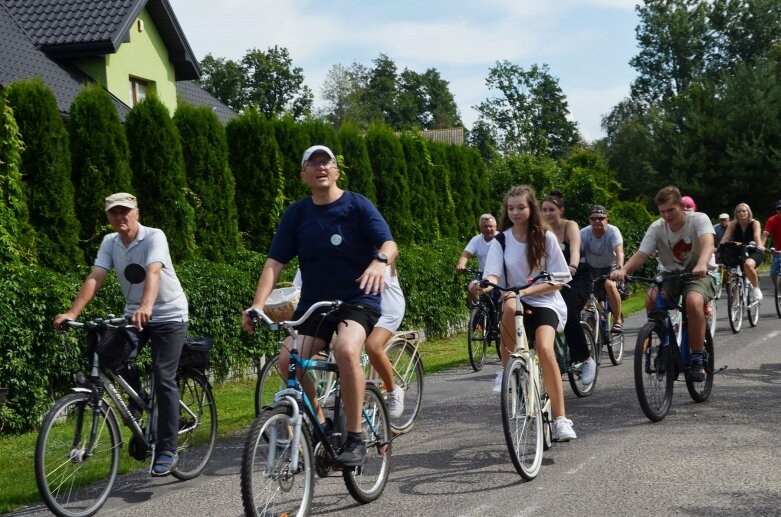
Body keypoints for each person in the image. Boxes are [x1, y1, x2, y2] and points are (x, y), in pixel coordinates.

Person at [242, 145, 397, 467]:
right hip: (315, 305)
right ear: (304, 175)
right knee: (288, 360)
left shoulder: (357, 205)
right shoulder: (296, 214)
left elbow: (389, 243)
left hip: (358, 300)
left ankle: (355, 438)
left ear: (337, 170)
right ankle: (323, 427)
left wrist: (380, 261)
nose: (320, 167)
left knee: (346, 350)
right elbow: (274, 263)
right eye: (312, 163)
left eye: (326, 161)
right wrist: (257, 305)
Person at [54, 193, 189, 477]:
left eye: (125, 211)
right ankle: (138, 398)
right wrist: (72, 313)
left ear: (137, 212)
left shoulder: (154, 237)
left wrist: (147, 306)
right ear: (108, 217)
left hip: (168, 314)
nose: (120, 217)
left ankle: (167, 450)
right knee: (109, 356)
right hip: (135, 314)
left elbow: (153, 272)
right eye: (114, 212)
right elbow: (96, 277)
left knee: (164, 376)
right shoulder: (110, 243)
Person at [469, 185, 576, 440]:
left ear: (531, 209)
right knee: (507, 304)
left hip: (546, 302)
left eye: (521, 207)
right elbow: (492, 274)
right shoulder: (501, 240)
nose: (515, 212)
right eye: (511, 208)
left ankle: (561, 419)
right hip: (514, 302)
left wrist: (524, 292)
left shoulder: (545, 237)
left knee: (545, 347)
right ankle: (510, 372)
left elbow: (560, 280)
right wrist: (482, 286)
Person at [611, 186, 716, 382]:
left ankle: (697, 358)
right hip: (670, 275)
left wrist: (702, 263)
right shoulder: (657, 227)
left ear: (681, 206)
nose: (666, 215)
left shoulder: (699, 219)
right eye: (662, 212)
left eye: (671, 210)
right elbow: (642, 254)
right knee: (651, 300)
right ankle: (664, 343)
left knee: (693, 302)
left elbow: (708, 242)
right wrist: (624, 270)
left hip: (699, 273)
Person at [294, 264, 407, 418]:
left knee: (372, 347)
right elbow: (298, 287)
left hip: (386, 310)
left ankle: (393, 390)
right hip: (352, 308)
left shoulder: (377, 256)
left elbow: (372, 284)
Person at [541, 191, 595, 385]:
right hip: (551, 279)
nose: (547, 213)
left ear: (561, 210)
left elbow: (574, 249)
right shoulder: (540, 230)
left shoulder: (570, 225)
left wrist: (571, 266)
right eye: (544, 210)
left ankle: (587, 359)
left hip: (576, 276)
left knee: (570, 316)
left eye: (552, 209)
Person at [580, 205, 625, 333]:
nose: (597, 221)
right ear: (589, 220)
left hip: (610, 267)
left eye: (601, 218)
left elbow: (619, 251)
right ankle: (594, 327)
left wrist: (619, 268)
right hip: (591, 268)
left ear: (607, 219)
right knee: (586, 295)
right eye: (594, 219)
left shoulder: (613, 231)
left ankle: (617, 320)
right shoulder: (584, 233)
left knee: (610, 285)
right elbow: (577, 252)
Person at [720, 202, 764, 301]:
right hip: (739, 251)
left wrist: (760, 245)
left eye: (744, 211)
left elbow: (757, 236)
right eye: (739, 211)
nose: (741, 213)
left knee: (748, 265)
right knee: (733, 272)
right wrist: (720, 249)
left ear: (748, 212)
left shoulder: (754, 223)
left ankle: (756, 287)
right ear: (736, 213)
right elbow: (726, 237)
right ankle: (735, 299)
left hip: (753, 250)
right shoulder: (733, 224)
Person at [456, 214, 497, 303]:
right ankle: (477, 313)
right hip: (483, 274)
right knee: (472, 288)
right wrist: (461, 264)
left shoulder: (501, 238)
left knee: (503, 300)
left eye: (491, 226)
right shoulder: (476, 240)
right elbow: (466, 254)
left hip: (500, 275)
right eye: (485, 226)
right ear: (480, 228)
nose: (488, 229)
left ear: (496, 227)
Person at [760, 199, 781, 293]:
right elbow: (765, 234)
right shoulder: (772, 220)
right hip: (778, 251)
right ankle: (778, 289)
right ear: (776, 210)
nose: (780, 211)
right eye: (779, 209)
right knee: (773, 272)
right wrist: (761, 246)